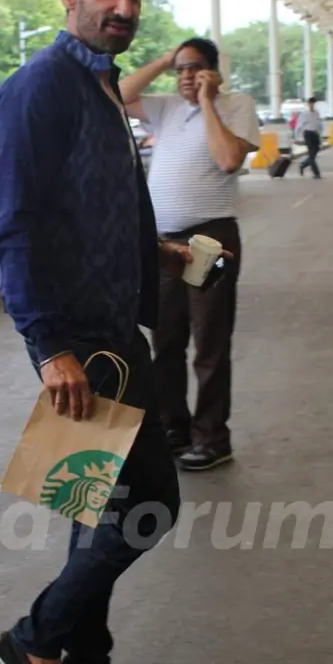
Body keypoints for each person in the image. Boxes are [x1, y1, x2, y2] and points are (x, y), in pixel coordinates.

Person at [0, 0, 184, 664]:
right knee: (152, 504)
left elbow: (102, 200)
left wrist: (153, 249)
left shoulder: (102, 85)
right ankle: (36, 638)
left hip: (113, 324)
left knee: (95, 508)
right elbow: (20, 226)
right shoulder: (41, 87)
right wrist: (51, 349)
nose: (123, 6)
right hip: (86, 345)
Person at [120, 38, 259, 471]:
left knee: (209, 342)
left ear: (215, 71)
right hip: (164, 243)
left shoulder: (236, 105)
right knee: (165, 341)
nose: (185, 76)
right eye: (180, 69)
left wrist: (207, 100)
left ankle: (213, 437)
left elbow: (227, 160)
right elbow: (118, 94)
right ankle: (172, 427)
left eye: (195, 68)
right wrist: (165, 60)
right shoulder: (164, 107)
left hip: (211, 241)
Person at [296, 97, 323, 178]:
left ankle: (303, 165)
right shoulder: (304, 114)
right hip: (308, 134)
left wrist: (320, 134)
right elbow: (299, 125)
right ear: (308, 104)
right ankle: (316, 173)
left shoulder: (316, 113)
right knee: (311, 153)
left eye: (313, 104)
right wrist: (296, 136)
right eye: (311, 103)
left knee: (316, 151)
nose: (312, 105)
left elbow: (318, 124)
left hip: (315, 134)